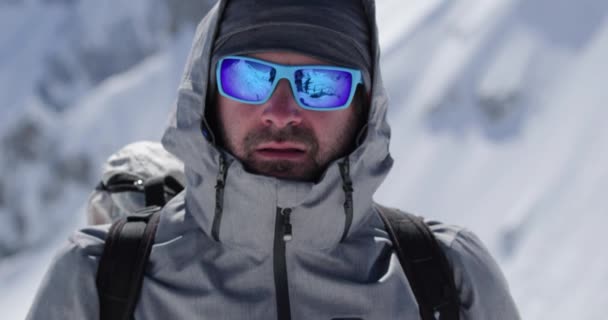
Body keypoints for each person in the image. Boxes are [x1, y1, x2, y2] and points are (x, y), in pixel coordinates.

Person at [27, 0, 521, 319]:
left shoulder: (445, 279)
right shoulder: (98, 283)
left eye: (322, 84)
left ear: (364, 105)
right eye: (248, 77)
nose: (281, 112)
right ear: (207, 92)